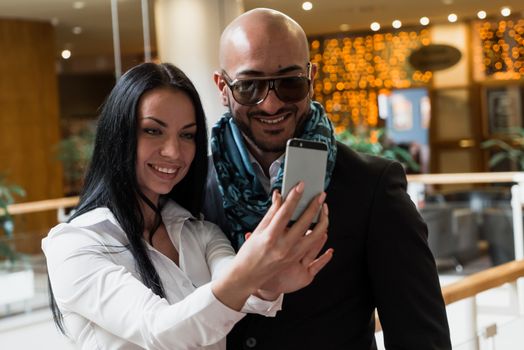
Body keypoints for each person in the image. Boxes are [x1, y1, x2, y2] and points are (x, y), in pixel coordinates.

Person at [203, 8, 452, 350]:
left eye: (290, 83)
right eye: (249, 86)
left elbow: (421, 338)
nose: (271, 103)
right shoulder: (191, 183)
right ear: (222, 86)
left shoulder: (373, 186)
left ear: (311, 77)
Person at [42, 62, 333, 350]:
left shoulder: (201, 232)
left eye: (187, 135)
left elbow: (240, 293)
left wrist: (269, 281)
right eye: (153, 131)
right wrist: (251, 269)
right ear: (118, 133)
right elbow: (161, 331)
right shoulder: (75, 243)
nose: (173, 152)